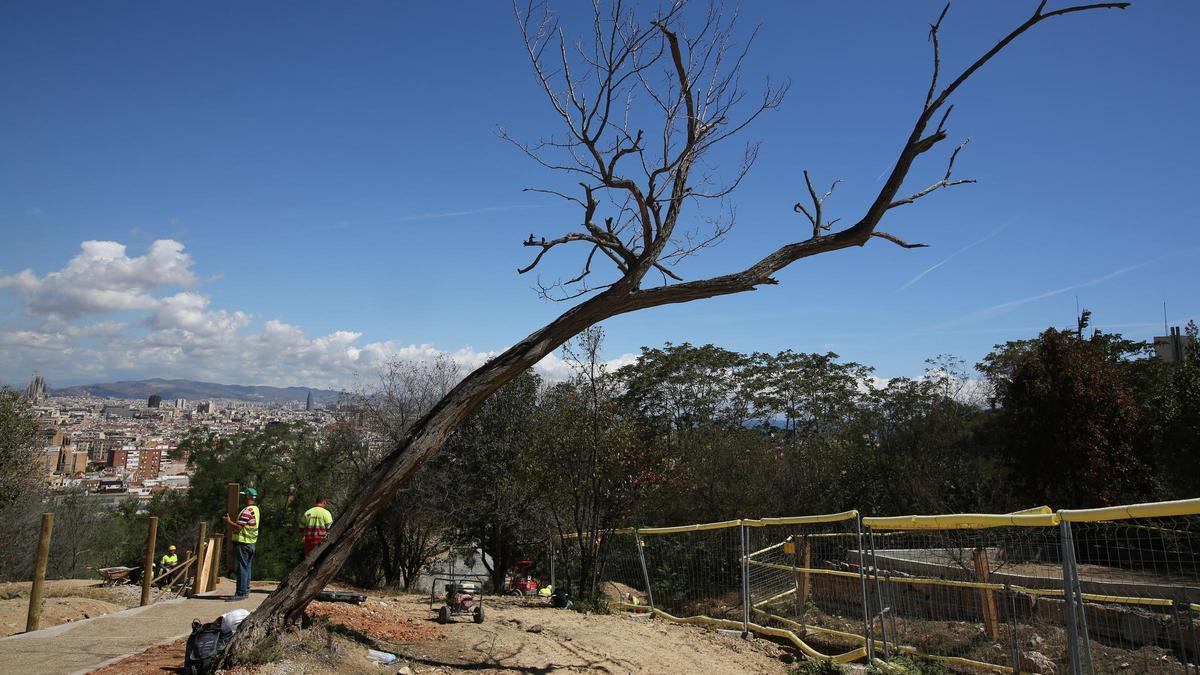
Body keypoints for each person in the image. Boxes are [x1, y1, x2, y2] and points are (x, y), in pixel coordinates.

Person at [223, 487, 259, 601]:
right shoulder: (256, 509)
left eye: (244, 495)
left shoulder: (247, 511)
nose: (243, 497)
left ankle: (241, 592)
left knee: (242, 568)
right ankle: (245, 590)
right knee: (247, 567)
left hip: (243, 543)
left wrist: (229, 522)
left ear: (248, 496)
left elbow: (239, 527)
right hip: (251, 543)